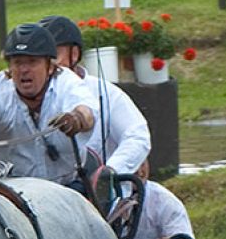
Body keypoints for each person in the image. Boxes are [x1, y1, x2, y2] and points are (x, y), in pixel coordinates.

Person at [0, 23, 99, 190]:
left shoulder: (67, 82)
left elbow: (86, 109)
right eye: (17, 62)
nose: (24, 69)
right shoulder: (0, 88)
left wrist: (76, 118)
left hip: (67, 188)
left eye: (32, 62)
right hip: (11, 194)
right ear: (9, 67)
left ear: (51, 67)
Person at [40, 15, 150, 210]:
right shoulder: (29, 97)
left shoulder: (107, 93)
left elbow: (137, 135)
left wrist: (108, 174)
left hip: (96, 198)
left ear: (74, 54)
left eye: (52, 55)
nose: (45, 63)